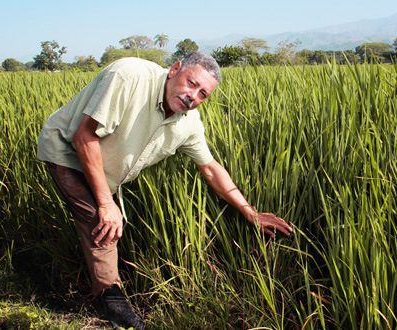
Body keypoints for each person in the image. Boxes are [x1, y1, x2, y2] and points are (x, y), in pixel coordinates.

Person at [37, 52, 293, 329]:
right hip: (67, 151)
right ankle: (114, 304)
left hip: (103, 168)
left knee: (109, 219)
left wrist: (250, 212)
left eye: (203, 94)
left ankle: (108, 280)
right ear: (174, 69)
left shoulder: (188, 124)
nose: (192, 96)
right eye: (191, 83)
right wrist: (105, 204)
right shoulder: (129, 76)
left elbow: (210, 169)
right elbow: (84, 136)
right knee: (101, 222)